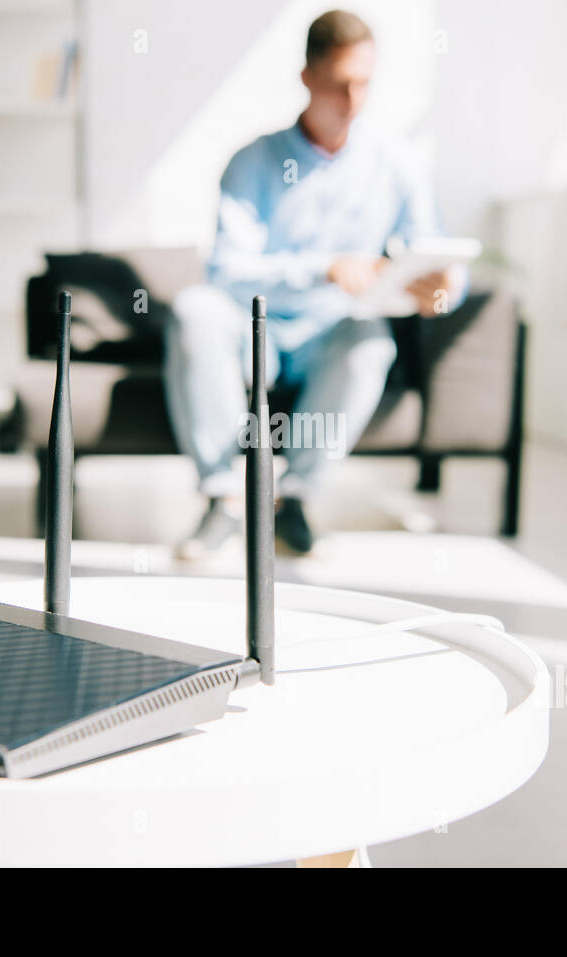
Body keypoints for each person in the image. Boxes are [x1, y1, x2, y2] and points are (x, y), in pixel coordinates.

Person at [165, 9, 465, 559]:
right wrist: (323, 267)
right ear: (307, 77)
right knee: (194, 308)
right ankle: (224, 497)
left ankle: (294, 499)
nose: (353, 101)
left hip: (331, 334)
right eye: (339, 84)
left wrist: (445, 289)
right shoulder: (251, 162)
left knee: (370, 338)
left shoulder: (396, 164)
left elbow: (436, 250)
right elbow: (227, 272)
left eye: (364, 84)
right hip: (252, 332)